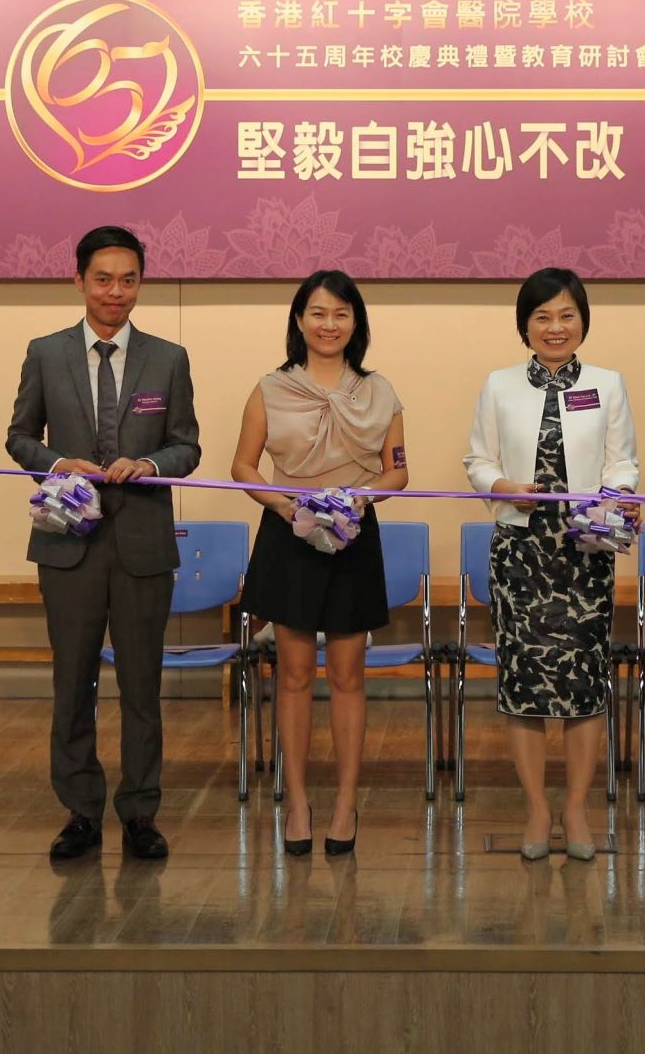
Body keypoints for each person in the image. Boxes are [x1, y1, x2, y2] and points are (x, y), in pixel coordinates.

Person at [7, 225, 201, 861]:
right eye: (103, 279)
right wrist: (56, 463)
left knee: (142, 686)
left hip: (142, 545)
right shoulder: (46, 352)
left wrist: (150, 465)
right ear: (79, 281)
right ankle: (80, 812)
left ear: (141, 283)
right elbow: (19, 437)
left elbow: (187, 445)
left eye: (128, 280)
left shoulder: (168, 358)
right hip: (68, 544)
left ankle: (141, 812)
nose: (116, 292)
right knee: (73, 684)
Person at [464, 268, 638, 861]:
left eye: (566, 315)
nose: (555, 327)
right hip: (521, 552)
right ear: (525, 325)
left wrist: (615, 498)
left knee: (585, 683)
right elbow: (478, 460)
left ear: (583, 321)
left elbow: (623, 463)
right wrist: (502, 485)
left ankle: (577, 809)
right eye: (542, 316)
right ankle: (537, 809)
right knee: (524, 682)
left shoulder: (608, 384)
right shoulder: (500, 384)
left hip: (584, 552)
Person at [231, 270, 407, 857]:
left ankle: (345, 802)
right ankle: (299, 802)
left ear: (356, 322)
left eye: (341, 314)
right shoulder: (270, 388)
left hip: (353, 534)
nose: (329, 325)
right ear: (299, 320)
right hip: (289, 535)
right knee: (295, 674)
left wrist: (358, 499)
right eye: (318, 313)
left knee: (349, 675)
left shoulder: (380, 390)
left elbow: (398, 470)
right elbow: (243, 466)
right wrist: (287, 506)